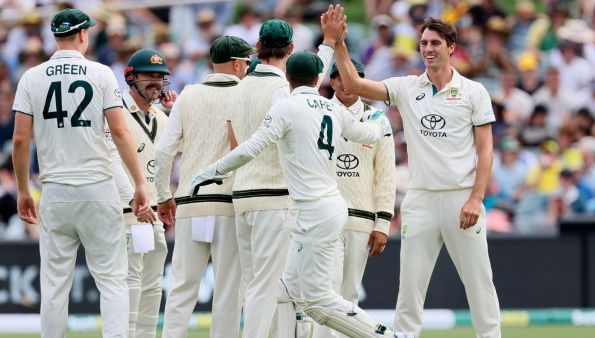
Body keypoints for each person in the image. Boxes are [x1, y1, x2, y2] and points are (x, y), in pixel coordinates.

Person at [190, 50, 396, 338]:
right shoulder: (332, 108)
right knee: (286, 290)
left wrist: (208, 173)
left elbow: (250, 148)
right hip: (320, 209)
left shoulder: (286, 107)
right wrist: (381, 121)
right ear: (317, 79)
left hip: (314, 212)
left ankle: (388, 335)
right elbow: (369, 134)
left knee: (318, 301)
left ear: (287, 77)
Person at [332, 17, 501, 338]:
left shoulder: (473, 92)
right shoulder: (407, 88)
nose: (428, 49)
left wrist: (476, 198)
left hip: (461, 198)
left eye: (435, 43)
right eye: (423, 43)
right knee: (410, 285)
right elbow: (354, 85)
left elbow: (486, 151)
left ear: (452, 47)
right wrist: (339, 43)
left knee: (479, 281)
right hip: (420, 198)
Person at [11, 8, 150, 338]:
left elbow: (19, 139)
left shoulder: (32, 77)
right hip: (98, 189)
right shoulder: (100, 73)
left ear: (55, 37)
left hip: (56, 190)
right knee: (113, 280)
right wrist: (139, 183)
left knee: (55, 284)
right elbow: (120, 132)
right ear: (84, 35)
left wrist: (22, 190)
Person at [226, 6, 343, 337]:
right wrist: (330, 42)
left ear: (258, 46)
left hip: (243, 196)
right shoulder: (284, 87)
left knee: (256, 285)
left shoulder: (241, 85)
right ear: (291, 50)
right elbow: (313, 78)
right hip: (273, 198)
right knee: (269, 288)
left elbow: (233, 138)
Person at [155, 35, 255, 338]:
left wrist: (163, 196)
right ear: (237, 64)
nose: (249, 67)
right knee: (229, 289)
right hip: (229, 203)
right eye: (247, 62)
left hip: (190, 202)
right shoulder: (248, 94)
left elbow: (163, 151)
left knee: (182, 286)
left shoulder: (188, 94)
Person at [313, 59, 396, 338]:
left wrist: (382, 223)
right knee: (327, 292)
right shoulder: (318, 115)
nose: (346, 83)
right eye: (339, 77)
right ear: (333, 82)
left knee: (349, 293)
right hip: (324, 217)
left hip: (361, 219)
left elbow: (385, 175)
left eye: (353, 77)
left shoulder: (377, 120)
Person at [105, 48, 177, 338]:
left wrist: (164, 197)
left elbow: (166, 163)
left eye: (160, 77)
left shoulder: (161, 117)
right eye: (149, 76)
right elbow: (110, 161)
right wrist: (134, 200)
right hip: (126, 211)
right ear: (130, 78)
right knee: (129, 281)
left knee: (152, 284)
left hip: (153, 214)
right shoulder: (115, 112)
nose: (156, 82)